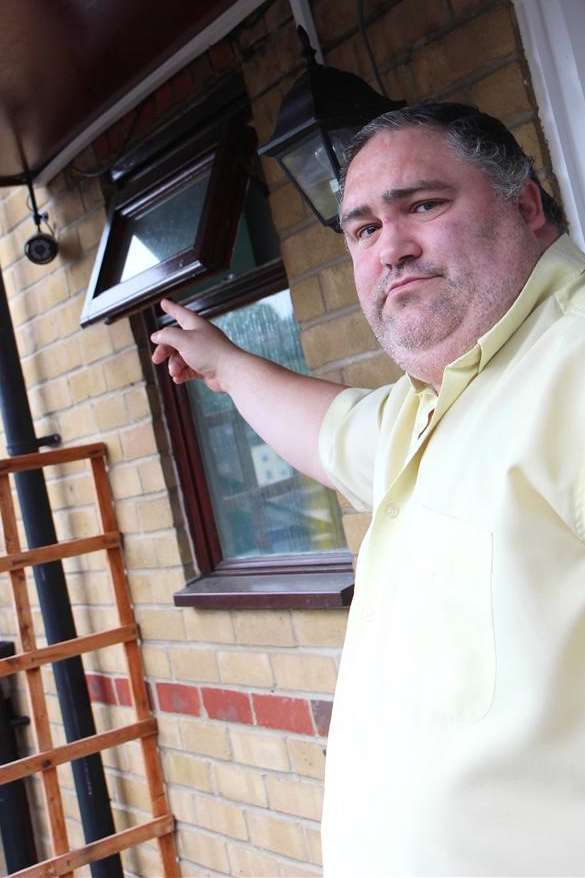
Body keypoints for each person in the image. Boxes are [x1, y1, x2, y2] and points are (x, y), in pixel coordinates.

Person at [151, 102, 585, 876]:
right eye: (362, 230)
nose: (391, 248)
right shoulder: (427, 411)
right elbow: (327, 429)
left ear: (524, 206)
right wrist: (223, 364)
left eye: (421, 205)